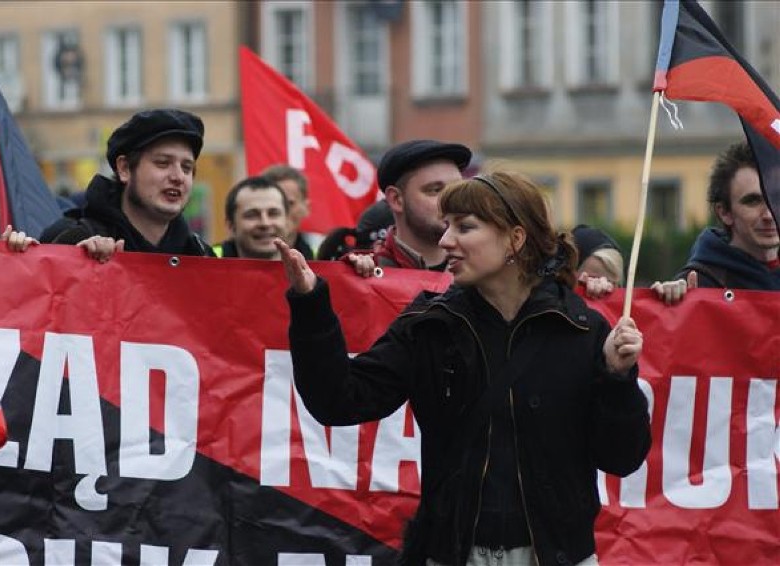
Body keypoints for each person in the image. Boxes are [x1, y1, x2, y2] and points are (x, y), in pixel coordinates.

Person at [275, 170, 651, 566]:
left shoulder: (581, 329)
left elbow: (621, 458)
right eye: (446, 227)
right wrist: (310, 303)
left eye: (465, 228)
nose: (446, 241)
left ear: (515, 239)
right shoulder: (430, 325)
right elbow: (339, 400)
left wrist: (617, 378)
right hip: (452, 554)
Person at [5, 108, 214, 261]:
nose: (178, 176)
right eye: (162, 163)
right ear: (124, 168)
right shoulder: (74, 240)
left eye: (187, 168)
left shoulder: (201, 256)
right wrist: (77, 264)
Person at [652, 140, 780, 303]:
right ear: (724, 212)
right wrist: (669, 305)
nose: (769, 215)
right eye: (753, 201)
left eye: (776, 199)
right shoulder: (698, 284)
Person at [373, 140, 471, 270]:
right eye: (436, 190)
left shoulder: (483, 271)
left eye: (457, 189)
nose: (452, 200)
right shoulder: (368, 276)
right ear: (396, 199)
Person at [215, 175, 289, 259]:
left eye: (273, 214)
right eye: (252, 215)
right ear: (231, 226)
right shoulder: (208, 268)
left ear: (287, 222)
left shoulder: (306, 269)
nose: (265, 223)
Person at [262, 164, 315, 259]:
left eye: (289, 204)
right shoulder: (228, 259)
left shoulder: (323, 261)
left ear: (306, 208)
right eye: (273, 205)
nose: (281, 212)